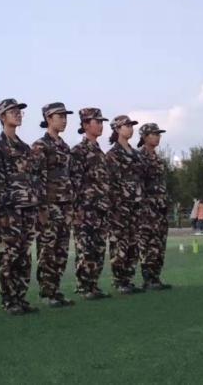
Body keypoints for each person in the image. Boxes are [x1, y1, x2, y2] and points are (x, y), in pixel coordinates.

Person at [0, 98, 42, 314]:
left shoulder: (24, 147)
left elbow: (32, 177)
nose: (18, 114)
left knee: (24, 255)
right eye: (13, 111)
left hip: (27, 207)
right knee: (8, 255)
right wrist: (2, 209)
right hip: (9, 209)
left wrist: (35, 203)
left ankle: (20, 297)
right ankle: (9, 300)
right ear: (2, 116)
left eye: (19, 111)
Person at [32, 103, 76, 307]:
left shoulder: (65, 147)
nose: (64, 120)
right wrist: (41, 208)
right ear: (49, 119)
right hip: (49, 206)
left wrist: (71, 206)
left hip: (65, 205)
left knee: (61, 251)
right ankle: (46, 292)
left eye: (65, 116)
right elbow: (36, 178)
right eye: (60, 116)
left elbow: (69, 177)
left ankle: (55, 290)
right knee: (47, 250)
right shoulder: (40, 145)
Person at [70, 108, 111, 299]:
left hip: (101, 209)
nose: (101, 125)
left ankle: (93, 285)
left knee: (99, 249)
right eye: (97, 121)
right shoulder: (78, 151)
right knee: (85, 249)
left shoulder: (100, 153)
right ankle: (83, 286)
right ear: (86, 125)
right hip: (85, 210)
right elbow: (74, 182)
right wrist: (77, 209)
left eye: (102, 122)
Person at [106, 115, 144, 293]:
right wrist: (114, 206)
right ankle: (119, 280)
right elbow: (110, 183)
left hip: (135, 205)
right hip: (119, 207)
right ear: (117, 129)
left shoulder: (135, 154)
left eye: (131, 125)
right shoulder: (112, 154)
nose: (130, 128)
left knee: (133, 243)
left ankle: (128, 279)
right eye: (126, 126)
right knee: (119, 243)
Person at [137, 123, 172, 289]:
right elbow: (138, 184)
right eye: (154, 134)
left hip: (160, 208)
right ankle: (148, 279)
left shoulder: (157, 158)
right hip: (147, 209)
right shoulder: (139, 157)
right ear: (145, 137)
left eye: (159, 134)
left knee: (159, 243)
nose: (158, 137)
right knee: (147, 243)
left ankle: (156, 277)